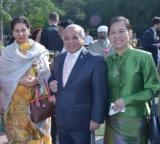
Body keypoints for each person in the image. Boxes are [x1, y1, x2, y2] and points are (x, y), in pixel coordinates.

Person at [104, 16, 160, 144]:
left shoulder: (144, 57)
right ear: (109, 36)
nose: (117, 36)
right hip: (112, 120)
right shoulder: (107, 61)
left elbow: (154, 89)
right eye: (112, 32)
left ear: (130, 33)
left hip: (136, 121)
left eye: (121, 31)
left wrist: (127, 100)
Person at [48, 24, 107, 144]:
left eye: (74, 38)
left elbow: (100, 93)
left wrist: (96, 119)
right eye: (66, 38)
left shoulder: (95, 61)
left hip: (83, 122)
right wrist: (51, 83)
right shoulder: (59, 59)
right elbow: (53, 77)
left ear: (83, 38)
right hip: (61, 119)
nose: (70, 42)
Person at [0, 16, 52, 144]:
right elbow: (2, 76)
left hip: (38, 103)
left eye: (23, 30)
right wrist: (19, 81)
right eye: (17, 31)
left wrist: (36, 79)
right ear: (12, 32)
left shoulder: (40, 50)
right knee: (19, 139)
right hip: (15, 105)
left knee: (38, 138)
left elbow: (46, 74)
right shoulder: (7, 53)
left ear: (29, 30)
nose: (21, 34)